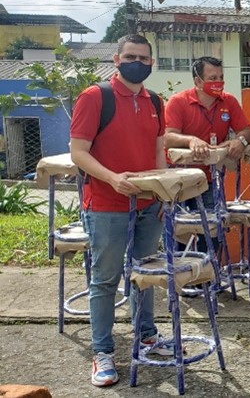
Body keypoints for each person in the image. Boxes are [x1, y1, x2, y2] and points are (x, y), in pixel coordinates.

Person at [70, 34, 172, 387]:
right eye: (131, 57)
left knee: (145, 275)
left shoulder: (155, 101)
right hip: (106, 205)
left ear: (152, 63)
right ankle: (102, 352)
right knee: (105, 280)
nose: (137, 63)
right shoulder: (95, 97)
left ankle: (147, 335)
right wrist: (112, 178)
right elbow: (78, 152)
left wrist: (163, 195)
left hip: (148, 204)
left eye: (144, 58)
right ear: (116, 59)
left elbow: (158, 152)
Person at [163, 56, 250, 259]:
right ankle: (181, 273)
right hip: (178, 178)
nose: (219, 82)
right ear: (198, 80)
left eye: (221, 77)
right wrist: (191, 140)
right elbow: (167, 137)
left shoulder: (229, 101)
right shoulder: (179, 101)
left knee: (212, 229)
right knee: (178, 230)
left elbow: (247, 131)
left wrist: (240, 141)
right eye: (213, 78)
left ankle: (208, 272)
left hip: (209, 177)